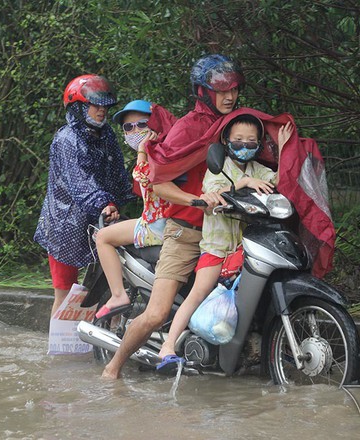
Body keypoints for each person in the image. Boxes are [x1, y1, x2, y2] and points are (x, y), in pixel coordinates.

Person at [101, 54, 245, 379]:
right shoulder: (188, 128)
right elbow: (158, 182)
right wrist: (196, 201)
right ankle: (112, 369)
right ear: (203, 92)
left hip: (228, 229)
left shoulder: (236, 124)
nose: (230, 96)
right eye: (222, 90)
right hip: (186, 232)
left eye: (234, 90)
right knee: (156, 313)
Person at [157, 113, 293, 361]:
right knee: (199, 291)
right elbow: (213, 192)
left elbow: (278, 184)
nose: (244, 145)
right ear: (226, 141)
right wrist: (244, 183)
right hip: (217, 248)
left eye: (251, 141)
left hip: (245, 247)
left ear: (259, 144)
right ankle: (167, 345)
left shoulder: (257, 169)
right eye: (238, 139)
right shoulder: (218, 168)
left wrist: (285, 151)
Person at [33, 74, 133, 317]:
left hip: (102, 218)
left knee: (104, 288)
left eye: (104, 106)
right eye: (95, 105)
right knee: (65, 292)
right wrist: (104, 202)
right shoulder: (66, 139)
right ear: (78, 106)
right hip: (65, 223)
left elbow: (117, 172)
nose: (101, 111)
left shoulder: (107, 134)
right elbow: (80, 182)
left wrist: (123, 196)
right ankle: (58, 348)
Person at [94, 100, 171, 319]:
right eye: (129, 128)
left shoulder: (156, 153)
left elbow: (145, 178)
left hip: (157, 227)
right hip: (162, 222)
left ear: (155, 124)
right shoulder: (169, 148)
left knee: (103, 237)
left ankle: (118, 295)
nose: (135, 131)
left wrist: (141, 151)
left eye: (142, 124)